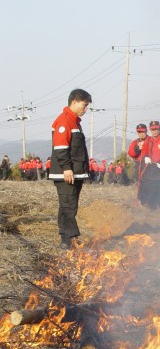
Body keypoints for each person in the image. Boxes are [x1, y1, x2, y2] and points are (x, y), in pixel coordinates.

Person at [48, 88, 92, 249]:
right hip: (66, 174)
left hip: (75, 173)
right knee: (68, 206)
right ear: (74, 102)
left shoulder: (74, 121)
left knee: (67, 205)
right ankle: (70, 238)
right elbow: (61, 147)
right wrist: (67, 168)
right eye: (84, 105)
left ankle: (65, 240)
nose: (85, 109)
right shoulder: (64, 120)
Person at [139, 120, 160, 210]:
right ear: (150, 130)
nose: (154, 131)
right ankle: (151, 207)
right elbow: (144, 151)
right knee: (151, 189)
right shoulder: (147, 141)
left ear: (159, 129)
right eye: (153, 130)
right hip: (151, 169)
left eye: (156, 129)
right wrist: (145, 157)